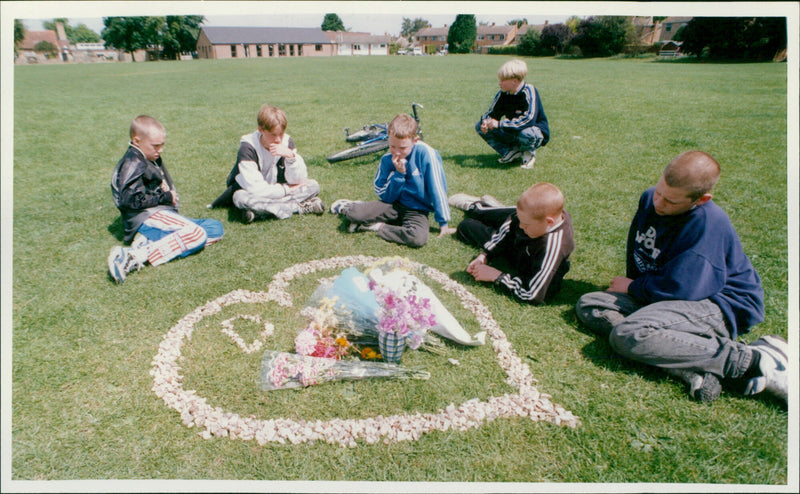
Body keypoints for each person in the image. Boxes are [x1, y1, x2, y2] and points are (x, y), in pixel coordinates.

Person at [575, 151, 787, 404]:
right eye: (659, 192)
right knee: (591, 304)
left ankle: (753, 360)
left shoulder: (707, 222)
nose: (659, 204)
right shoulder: (649, 199)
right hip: (669, 293)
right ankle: (687, 365)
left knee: (629, 334)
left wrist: (635, 288)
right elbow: (640, 251)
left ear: (702, 199)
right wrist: (638, 286)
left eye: (672, 201)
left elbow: (685, 288)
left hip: (718, 302)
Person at [108, 115, 223, 283]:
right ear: (137, 140)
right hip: (147, 216)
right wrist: (166, 196)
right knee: (197, 234)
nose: (160, 150)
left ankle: (147, 243)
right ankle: (134, 256)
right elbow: (129, 200)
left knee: (215, 228)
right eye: (155, 145)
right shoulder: (133, 162)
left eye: (162, 145)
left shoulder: (147, 156)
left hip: (160, 213)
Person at [329, 113, 455, 247]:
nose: (397, 152)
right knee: (354, 213)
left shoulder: (427, 154)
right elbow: (385, 195)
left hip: (417, 210)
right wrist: (399, 175)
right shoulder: (387, 159)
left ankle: (375, 226)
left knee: (417, 238)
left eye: (402, 148)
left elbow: (438, 188)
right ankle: (347, 206)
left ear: (415, 141)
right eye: (392, 146)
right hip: (394, 204)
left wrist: (443, 223)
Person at [451, 183, 574, 304]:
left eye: (525, 224)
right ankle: (478, 206)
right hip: (519, 244)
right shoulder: (531, 222)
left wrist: (497, 276)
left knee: (466, 226)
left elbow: (532, 294)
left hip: (521, 255)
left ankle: (487, 206)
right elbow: (507, 230)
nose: (520, 226)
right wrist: (485, 255)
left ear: (549, 222)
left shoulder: (554, 247)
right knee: (469, 224)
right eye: (520, 221)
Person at [209, 104, 324, 222]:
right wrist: (287, 190)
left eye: (281, 134)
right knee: (240, 197)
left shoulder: (286, 142)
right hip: (252, 192)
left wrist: (290, 156)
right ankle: (296, 208)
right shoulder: (248, 148)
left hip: (274, 192)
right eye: (273, 135)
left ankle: (260, 212)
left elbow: (299, 180)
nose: (278, 139)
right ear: (260, 130)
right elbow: (256, 189)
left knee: (313, 186)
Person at [476, 59, 549, 170]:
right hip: (513, 130)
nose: (499, 83)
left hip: (532, 131)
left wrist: (499, 124)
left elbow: (529, 120)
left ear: (514, 81)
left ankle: (528, 154)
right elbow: (492, 113)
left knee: (527, 133)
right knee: (479, 126)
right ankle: (511, 152)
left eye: (502, 80)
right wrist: (486, 122)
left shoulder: (529, 91)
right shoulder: (503, 94)